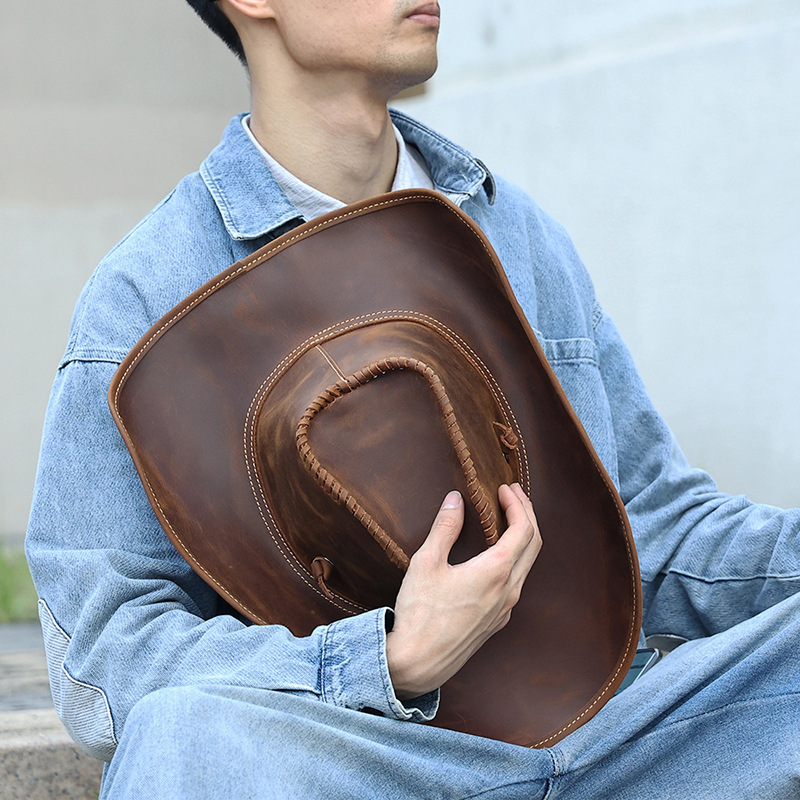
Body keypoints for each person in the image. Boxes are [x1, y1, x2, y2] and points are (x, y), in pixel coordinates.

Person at [26, 1, 800, 797]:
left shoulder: (514, 232)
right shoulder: (149, 292)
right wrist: (385, 657)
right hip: (376, 765)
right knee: (188, 736)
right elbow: (107, 651)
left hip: (624, 741)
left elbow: (652, 524)